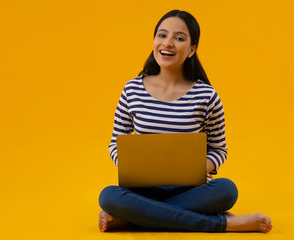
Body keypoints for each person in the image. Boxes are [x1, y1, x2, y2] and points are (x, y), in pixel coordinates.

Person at [98, 10, 273, 233]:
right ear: (154, 41)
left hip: (191, 190)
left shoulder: (206, 96)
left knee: (227, 190)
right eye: (162, 35)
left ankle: (134, 219)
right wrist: (128, 166)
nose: (168, 43)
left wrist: (197, 169)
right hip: (142, 190)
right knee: (109, 196)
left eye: (179, 38)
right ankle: (224, 223)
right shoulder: (132, 89)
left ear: (192, 50)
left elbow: (219, 150)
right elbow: (115, 143)